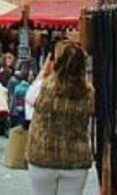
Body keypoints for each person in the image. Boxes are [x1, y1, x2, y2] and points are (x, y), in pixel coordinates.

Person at [26, 42, 95, 195]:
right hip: (76, 158)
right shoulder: (89, 93)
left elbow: (29, 101)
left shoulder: (42, 88)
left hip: (43, 157)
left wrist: (44, 70)